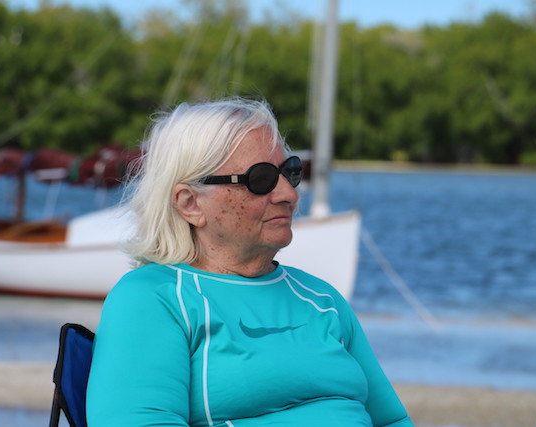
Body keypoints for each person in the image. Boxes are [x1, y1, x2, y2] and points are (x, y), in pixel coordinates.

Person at [86, 98, 414, 426]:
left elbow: (392, 420)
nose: (289, 195)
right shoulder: (154, 298)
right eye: (260, 179)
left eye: (290, 172)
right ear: (190, 204)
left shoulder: (321, 298)